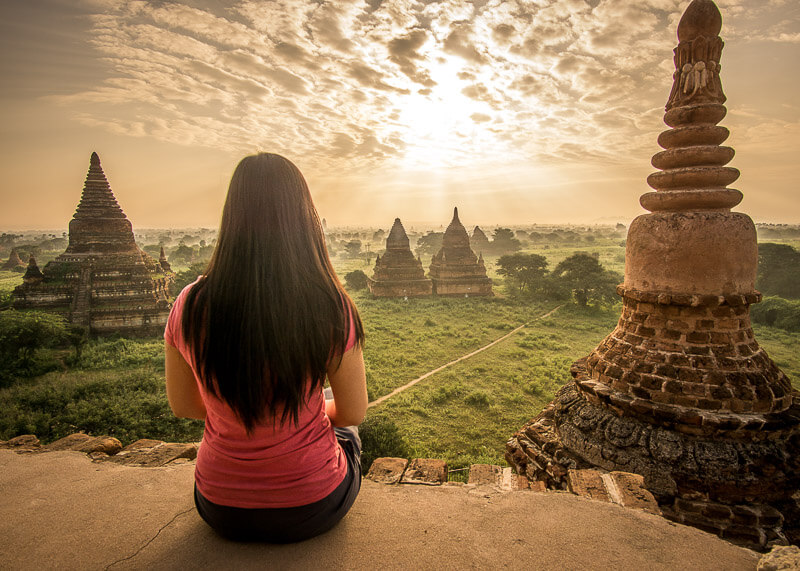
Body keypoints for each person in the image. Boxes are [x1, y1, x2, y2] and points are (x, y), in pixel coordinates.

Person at [164, 153, 367, 543]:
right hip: (314, 505)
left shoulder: (188, 304)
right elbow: (353, 411)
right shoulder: (329, 303)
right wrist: (294, 412)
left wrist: (246, 411)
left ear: (231, 217)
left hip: (219, 507)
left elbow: (185, 406)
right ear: (304, 218)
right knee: (348, 429)